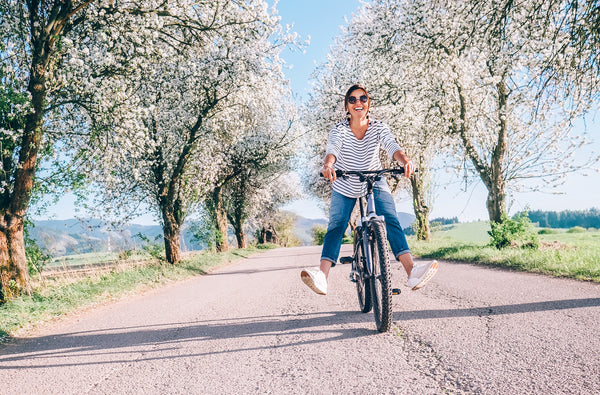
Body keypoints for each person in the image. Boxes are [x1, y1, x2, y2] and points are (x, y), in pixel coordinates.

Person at [301, 84, 438, 295]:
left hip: (373, 180)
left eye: (363, 98)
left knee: (390, 219)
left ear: (368, 103)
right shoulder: (339, 130)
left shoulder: (379, 127)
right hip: (345, 182)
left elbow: (392, 147)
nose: (358, 103)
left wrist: (405, 161)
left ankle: (412, 272)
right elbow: (333, 151)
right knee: (337, 226)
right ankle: (322, 277)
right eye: (353, 99)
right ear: (347, 106)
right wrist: (328, 165)